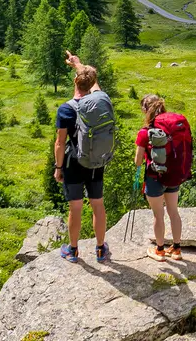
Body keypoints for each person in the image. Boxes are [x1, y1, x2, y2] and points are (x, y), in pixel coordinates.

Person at [55, 52, 115, 264]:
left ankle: (73, 250)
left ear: (75, 82)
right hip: (95, 161)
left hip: (73, 162)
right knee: (98, 205)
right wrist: (78, 64)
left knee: (76, 207)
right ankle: (100, 249)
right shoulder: (101, 99)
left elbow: (60, 143)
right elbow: (92, 80)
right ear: (92, 84)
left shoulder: (65, 109)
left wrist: (58, 168)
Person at [135, 93, 193, 260]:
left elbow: (138, 161)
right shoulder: (173, 127)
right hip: (174, 175)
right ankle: (176, 249)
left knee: (158, 215)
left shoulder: (145, 132)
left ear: (146, 110)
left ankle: (159, 250)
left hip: (154, 178)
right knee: (173, 212)